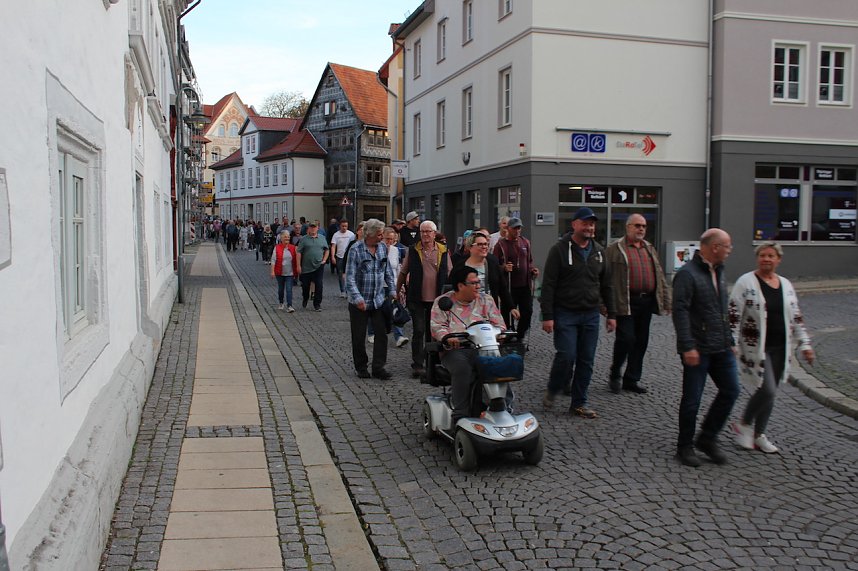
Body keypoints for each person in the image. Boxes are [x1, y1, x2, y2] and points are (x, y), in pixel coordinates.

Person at [728, 242, 814, 454]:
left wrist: (805, 344)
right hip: (755, 347)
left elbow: (796, 316)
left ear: (778, 259)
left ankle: (759, 435)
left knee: (770, 394)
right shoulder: (746, 282)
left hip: (780, 347)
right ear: (757, 258)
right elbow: (733, 313)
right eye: (763, 255)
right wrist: (731, 341)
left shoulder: (785, 284)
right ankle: (744, 424)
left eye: (771, 256)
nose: (766, 259)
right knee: (768, 389)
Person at [672, 228, 740, 468]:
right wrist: (687, 346)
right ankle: (685, 446)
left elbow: (722, 311)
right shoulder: (687, 275)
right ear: (714, 247)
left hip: (721, 346)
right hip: (697, 348)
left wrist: (730, 340)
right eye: (727, 246)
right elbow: (679, 312)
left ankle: (707, 438)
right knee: (692, 399)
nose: (730, 251)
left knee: (731, 390)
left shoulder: (719, 271)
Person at [539, 207, 616, 418]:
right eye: (585, 223)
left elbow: (607, 285)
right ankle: (554, 388)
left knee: (586, 360)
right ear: (574, 225)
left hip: (590, 314)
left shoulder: (599, 251)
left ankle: (579, 403)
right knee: (566, 355)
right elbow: (549, 285)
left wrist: (612, 315)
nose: (589, 227)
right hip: (565, 312)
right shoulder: (560, 250)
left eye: (592, 224)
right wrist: (548, 316)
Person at [430, 265, 507, 425]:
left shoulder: (486, 300)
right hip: (457, 350)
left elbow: (500, 324)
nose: (478, 286)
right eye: (474, 283)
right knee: (462, 368)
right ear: (460, 286)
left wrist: (500, 333)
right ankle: (460, 416)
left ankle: (502, 408)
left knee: (500, 366)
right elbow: (437, 326)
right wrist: (447, 338)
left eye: (479, 282)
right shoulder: (444, 302)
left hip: (485, 347)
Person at [606, 213, 671, 394]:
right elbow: (604, 277)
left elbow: (659, 275)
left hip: (646, 302)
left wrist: (666, 299)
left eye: (643, 226)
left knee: (641, 342)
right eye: (637, 225)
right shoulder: (615, 249)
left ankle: (631, 378)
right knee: (626, 339)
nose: (641, 229)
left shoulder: (649, 248)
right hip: (625, 301)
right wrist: (604, 305)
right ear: (628, 227)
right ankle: (615, 371)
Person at [397, 220, 451, 378]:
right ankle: (418, 364)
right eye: (423, 231)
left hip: (437, 299)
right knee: (419, 331)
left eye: (428, 231)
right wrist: (397, 289)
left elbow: (450, 272)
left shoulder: (443, 250)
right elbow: (403, 271)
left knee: (433, 332)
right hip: (417, 297)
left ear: (434, 233)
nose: (425, 235)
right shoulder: (413, 250)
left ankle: (433, 362)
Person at [345, 219, 396, 380]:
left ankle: (378, 367)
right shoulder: (356, 249)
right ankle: (361, 367)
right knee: (359, 337)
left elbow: (387, 271)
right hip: (359, 302)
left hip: (378, 300)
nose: (382, 237)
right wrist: (357, 298)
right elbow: (350, 278)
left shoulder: (382, 248)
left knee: (382, 334)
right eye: (379, 234)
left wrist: (393, 290)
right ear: (370, 234)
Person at [457, 231, 517, 324]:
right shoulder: (461, 265)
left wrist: (511, 307)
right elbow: (454, 288)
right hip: (465, 309)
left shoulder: (492, 262)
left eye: (486, 244)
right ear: (470, 247)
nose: (484, 247)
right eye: (480, 244)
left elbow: (502, 287)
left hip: (488, 309)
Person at [493, 217, 539, 340]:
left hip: (525, 285)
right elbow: (494, 264)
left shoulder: (525, 242)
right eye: (515, 228)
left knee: (527, 312)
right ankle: (508, 336)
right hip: (508, 286)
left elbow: (529, 261)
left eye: (519, 228)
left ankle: (520, 336)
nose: (518, 230)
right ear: (508, 228)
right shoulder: (501, 244)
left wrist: (532, 270)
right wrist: (503, 268)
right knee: (507, 314)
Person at [368, 228, 410, 347]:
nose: (389, 242)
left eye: (392, 239)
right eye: (387, 239)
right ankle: (371, 333)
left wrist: (398, 285)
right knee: (375, 310)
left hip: (391, 286)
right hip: (377, 286)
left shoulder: (396, 250)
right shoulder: (375, 249)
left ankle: (399, 336)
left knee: (394, 310)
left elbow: (397, 268)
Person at [296, 221, 329, 311]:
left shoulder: (322, 238)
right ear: (309, 229)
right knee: (305, 286)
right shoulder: (304, 239)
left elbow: (327, 250)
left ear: (318, 228)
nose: (313, 229)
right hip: (306, 267)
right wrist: (298, 265)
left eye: (315, 227)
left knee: (319, 285)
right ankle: (305, 298)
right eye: (311, 227)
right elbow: (298, 252)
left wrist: (324, 260)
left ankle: (317, 304)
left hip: (318, 266)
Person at [271, 229, 299, 312]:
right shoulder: (277, 247)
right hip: (279, 272)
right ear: (281, 238)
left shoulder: (293, 248)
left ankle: (289, 305)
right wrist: (272, 271)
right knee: (281, 289)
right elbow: (273, 260)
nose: (287, 238)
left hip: (290, 272)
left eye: (288, 237)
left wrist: (298, 268)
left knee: (289, 289)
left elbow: (297, 259)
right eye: (285, 237)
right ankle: (281, 302)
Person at [330, 219, 356, 298]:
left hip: (349, 256)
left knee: (350, 274)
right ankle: (343, 290)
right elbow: (333, 246)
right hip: (340, 257)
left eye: (346, 226)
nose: (344, 228)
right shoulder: (336, 235)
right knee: (341, 274)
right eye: (343, 226)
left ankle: (349, 290)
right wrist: (332, 256)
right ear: (340, 226)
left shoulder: (351, 234)